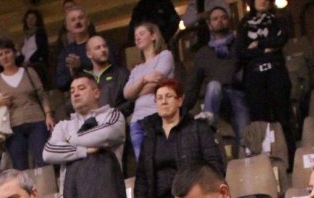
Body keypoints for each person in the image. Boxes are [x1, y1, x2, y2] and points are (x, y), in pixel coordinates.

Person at [136, 82, 224, 198]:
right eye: (159, 98)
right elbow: (143, 175)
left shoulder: (198, 128)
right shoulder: (150, 137)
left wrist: (207, 191)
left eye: (169, 96)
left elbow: (214, 163)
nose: (164, 101)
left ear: (180, 100)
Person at [44, 73, 131, 198]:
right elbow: (48, 152)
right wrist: (82, 151)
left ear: (96, 92)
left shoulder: (112, 115)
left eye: (81, 88)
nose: (75, 93)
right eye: (72, 91)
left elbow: (108, 133)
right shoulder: (63, 126)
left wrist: (69, 141)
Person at [238, 0, 295, 160]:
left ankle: (290, 158)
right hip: (254, 79)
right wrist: (266, 49)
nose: (262, 1)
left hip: (276, 74)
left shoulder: (278, 19)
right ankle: (264, 161)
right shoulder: (244, 24)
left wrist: (257, 44)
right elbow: (241, 52)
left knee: (282, 118)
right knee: (259, 123)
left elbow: (281, 39)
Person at [184, 7, 248, 138]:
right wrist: (183, 109)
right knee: (214, 85)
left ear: (229, 21)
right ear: (209, 24)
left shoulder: (240, 46)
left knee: (245, 138)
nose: (220, 21)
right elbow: (193, 85)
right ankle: (209, 125)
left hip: (237, 94)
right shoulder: (203, 54)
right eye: (215, 18)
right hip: (215, 97)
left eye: (224, 18)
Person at [0, 39, 54, 171]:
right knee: (20, 167)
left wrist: (48, 115)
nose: (4, 57)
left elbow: (42, 95)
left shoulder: (29, 72)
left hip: (36, 119)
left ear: (14, 53)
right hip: (12, 125)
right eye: (0, 54)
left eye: (7, 52)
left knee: (43, 160)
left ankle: (47, 184)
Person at [124, 22, 175, 157]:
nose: (137, 38)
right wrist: (144, 79)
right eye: (136, 36)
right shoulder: (136, 69)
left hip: (157, 114)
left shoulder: (164, 55)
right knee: (142, 164)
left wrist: (136, 92)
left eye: (141, 34)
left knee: (162, 158)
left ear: (153, 36)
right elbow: (127, 94)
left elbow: (156, 83)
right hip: (136, 120)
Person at [87, 35, 130, 115]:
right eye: (98, 48)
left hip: (116, 118)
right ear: (89, 54)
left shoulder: (121, 73)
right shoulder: (85, 78)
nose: (103, 50)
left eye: (105, 46)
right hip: (91, 121)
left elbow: (131, 100)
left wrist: (115, 113)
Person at [55, 6, 96, 90]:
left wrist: (81, 66)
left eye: (80, 18)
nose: (77, 22)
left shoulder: (100, 43)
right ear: (68, 27)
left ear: (88, 22)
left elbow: (110, 70)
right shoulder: (65, 53)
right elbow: (60, 83)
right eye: (73, 20)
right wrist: (72, 72)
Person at [20, 9, 51, 79]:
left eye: (33, 18)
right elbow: (25, 54)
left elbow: (42, 50)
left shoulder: (40, 33)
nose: (30, 21)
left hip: (37, 66)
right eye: (28, 18)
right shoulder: (26, 36)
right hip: (27, 68)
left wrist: (30, 61)